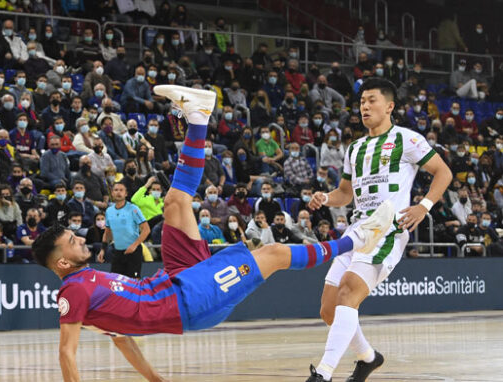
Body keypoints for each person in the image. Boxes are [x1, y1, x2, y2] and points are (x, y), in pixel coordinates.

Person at [31, 85, 395, 381]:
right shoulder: (73, 292)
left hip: (175, 280)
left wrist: (154, 379)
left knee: (174, 201)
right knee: (272, 255)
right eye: (72, 242)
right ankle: (357, 239)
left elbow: (123, 340)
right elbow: (67, 352)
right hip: (191, 302)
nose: (80, 238)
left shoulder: (89, 282)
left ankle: (199, 116)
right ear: (61, 260)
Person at [305, 79, 453, 382]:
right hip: (357, 228)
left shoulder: (407, 139)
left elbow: (444, 172)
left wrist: (423, 206)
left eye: (371, 100)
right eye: (361, 102)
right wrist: (326, 197)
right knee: (328, 310)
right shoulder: (355, 147)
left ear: (389, 106)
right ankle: (368, 358)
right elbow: (345, 193)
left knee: (348, 291)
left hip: (387, 227)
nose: (364, 106)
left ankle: (323, 374)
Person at [98, 182, 149, 278]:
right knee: (116, 282)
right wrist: (103, 250)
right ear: (112, 193)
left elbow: (146, 229)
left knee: (134, 282)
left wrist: (134, 245)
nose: (118, 192)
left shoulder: (133, 209)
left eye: (121, 190)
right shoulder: (109, 211)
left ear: (126, 193)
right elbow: (107, 232)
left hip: (133, 252)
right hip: (118, 252)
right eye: (116, 190)